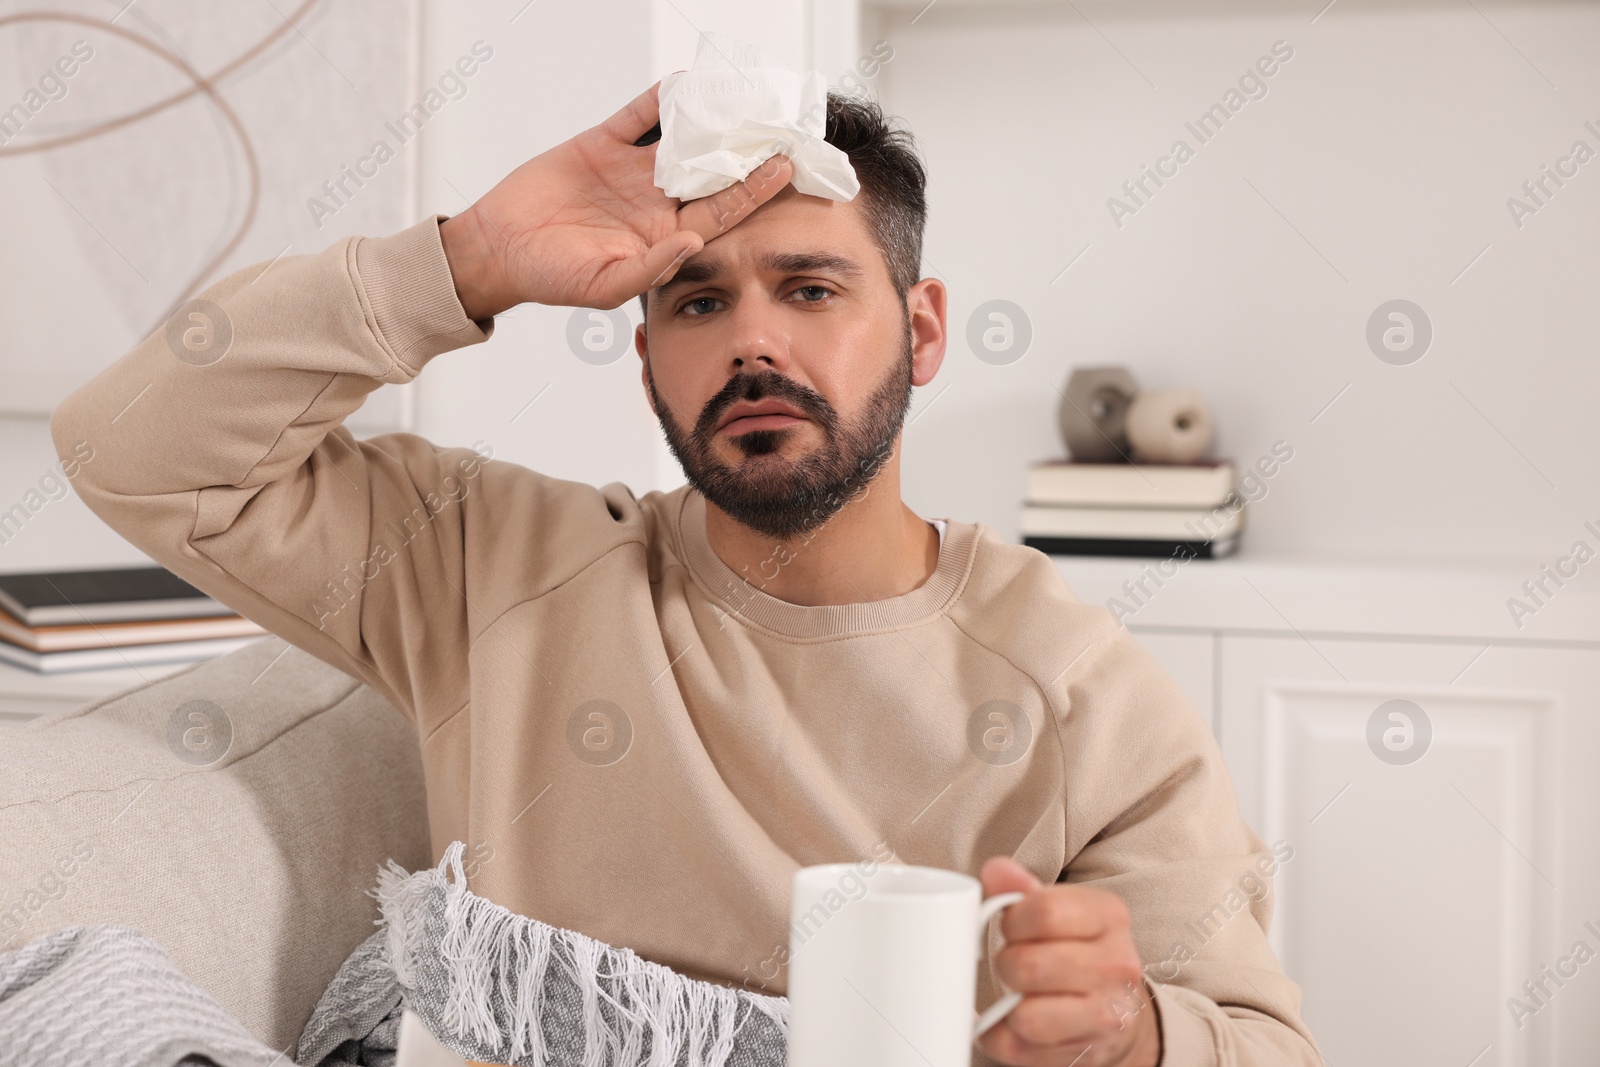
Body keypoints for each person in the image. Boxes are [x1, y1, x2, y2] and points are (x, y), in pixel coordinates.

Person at [50, 80, 1322, 1067]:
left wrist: (1135, 1031)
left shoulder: (1080, 692)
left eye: (811, 287)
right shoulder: (490, 566)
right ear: (645, 348)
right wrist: (469, 258)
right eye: (697, 301)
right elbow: (129, 449)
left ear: (922, 331)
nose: (753, 338)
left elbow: (1262, 1041)